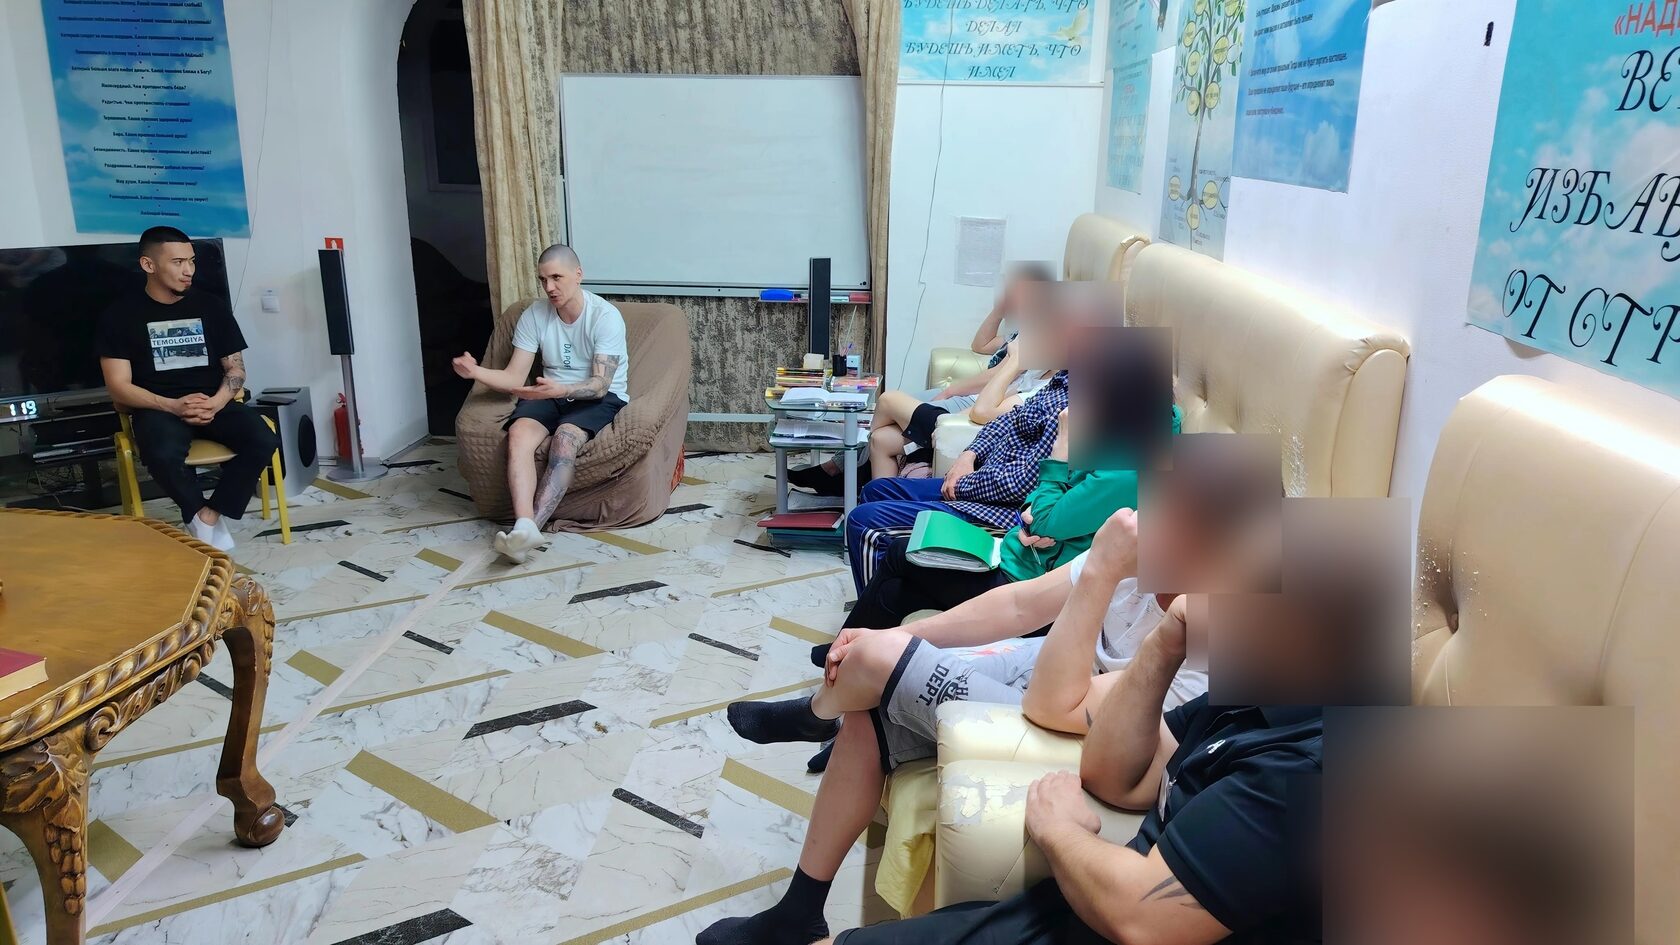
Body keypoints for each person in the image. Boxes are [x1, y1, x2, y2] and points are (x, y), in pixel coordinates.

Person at [700, 486, 1283, 945]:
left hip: (1077, 714)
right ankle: (800, 908)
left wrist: (1102, 569)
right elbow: (1021, 603)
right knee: (875, 682)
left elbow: (1058, 705)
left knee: (875, 665)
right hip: (1056, 663)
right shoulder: (1147, 545)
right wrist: (900, 634)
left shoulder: (1211, 645)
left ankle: (816, 714)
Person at [843, 400, 1181, 631]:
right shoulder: (1121, 430)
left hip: (1035, 586)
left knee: (901, 553)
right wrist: (1032, 515)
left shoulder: (1131, 462)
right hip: (1020, 554)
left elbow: (1048, 511)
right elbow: (1038, 498)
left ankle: (844, 659)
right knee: (894, 592)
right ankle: (851, 663)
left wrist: (1061, 447)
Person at [789, 263, 1055, 493]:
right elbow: (981, 345)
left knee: (888, 400)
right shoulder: (1025, 342)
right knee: (880, 436)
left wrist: (955, 393)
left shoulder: (1044, 380)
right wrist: (1000, 310)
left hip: (969, 411)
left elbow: (992, 404)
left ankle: (844, 469)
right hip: (971, 402)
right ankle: (870, 492)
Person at [96, 227, 277, 552]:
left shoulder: (212, 306)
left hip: (213, 402)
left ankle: (207, 516)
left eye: (191, 261)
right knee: (162, 453)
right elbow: (118, 387)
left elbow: (236, 369)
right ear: (149, 265)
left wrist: (216, 402)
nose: (189, 270)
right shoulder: (119, 316)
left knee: (263, 439)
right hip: (158, 407)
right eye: (178, 262)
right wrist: (172, 405)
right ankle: (197, 512)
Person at [451, 244, 629, 563]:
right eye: (543, 280)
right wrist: (474, 372)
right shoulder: (534, 314)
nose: (549, 287)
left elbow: (600, 385)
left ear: (578, 274)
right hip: (549, 392)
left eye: (556, 277)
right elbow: (514, 376)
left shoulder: (605, 316)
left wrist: (562, 389)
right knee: (518, 434)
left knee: (564, 439)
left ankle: (529, 530)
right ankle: (524, 525)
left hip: (597, 395)